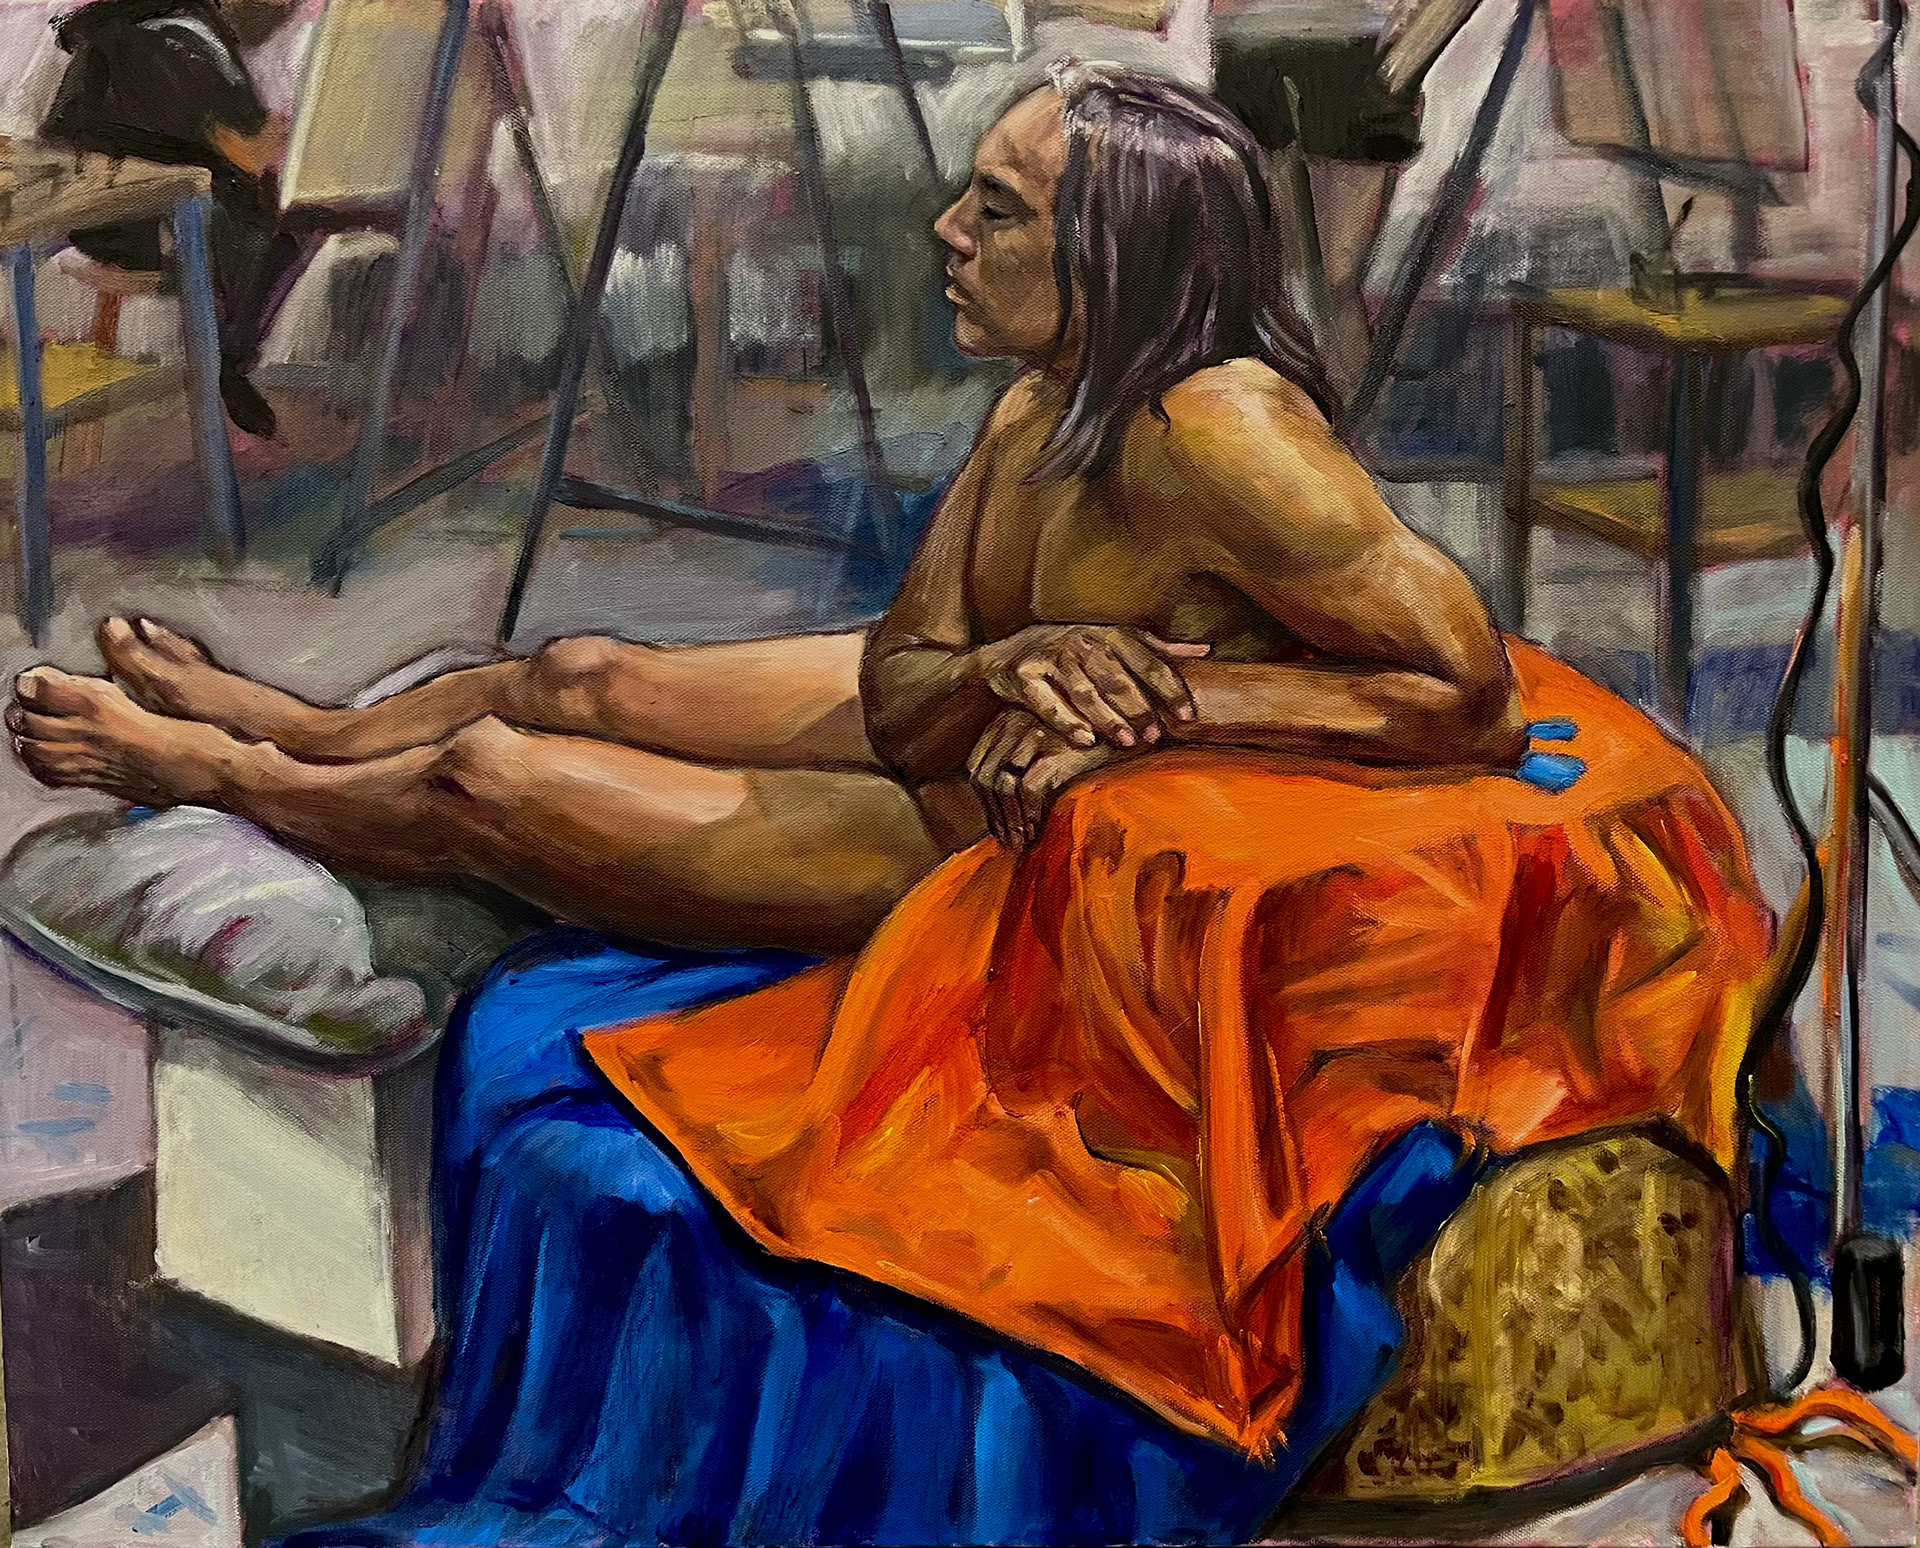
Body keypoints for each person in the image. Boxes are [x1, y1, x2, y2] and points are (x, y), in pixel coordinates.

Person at [12, 64, 1770, 1546]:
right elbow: (911, 683)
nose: (947, 230)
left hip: (999, 840)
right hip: (986, 728)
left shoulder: (1229, 438)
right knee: (581, 674)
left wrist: (1170, 699)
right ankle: (298, 722)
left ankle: (219, 771)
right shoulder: (1040, 408)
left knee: (491, 779)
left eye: (999, 211)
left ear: (1113, 256)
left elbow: (1463, 691)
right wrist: (1023, 663)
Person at [41, 0, 304, 438]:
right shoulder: (160, 40)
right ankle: (225, 361)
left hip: (155, 205)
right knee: (274, 239)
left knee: (272, 231)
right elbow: (240, 149)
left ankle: (226, 359)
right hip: (138, 222)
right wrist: (291, 129)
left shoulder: (184, 29)